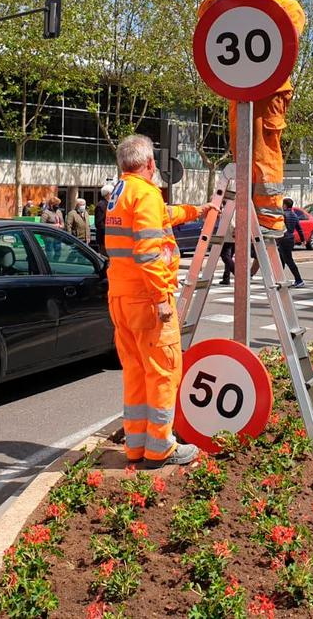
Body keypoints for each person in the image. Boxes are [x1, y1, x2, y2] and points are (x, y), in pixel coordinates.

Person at [106, 134, 215, 468]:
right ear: (150, 164)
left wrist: (198, 210)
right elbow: (149, 250)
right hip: (146, 299)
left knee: (136, 373)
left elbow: (162, 216)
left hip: (121, 297)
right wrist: (160, 299)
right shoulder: (146, 193)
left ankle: (137, 446)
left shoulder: (121, 193)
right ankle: (160, 449)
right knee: (164, 371)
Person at [197, 0, 306, 235]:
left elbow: (285, 39)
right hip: (242, 89)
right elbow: (205, 12)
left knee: (264, 156)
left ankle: (269, 221)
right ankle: (249, 217)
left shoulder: (289, 6)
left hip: (269, 91)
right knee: (243, 154)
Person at [279, 197, 305, 288]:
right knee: (281, 259)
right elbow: (299, 229)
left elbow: (280, 227)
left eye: (282, 204)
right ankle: (279, 278)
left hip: (284, 239)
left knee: (288, 260)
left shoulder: (283, 215)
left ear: (285, 205)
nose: (282, 206)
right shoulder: (294, 215)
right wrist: (303, 240)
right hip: (290, 239)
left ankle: (299, 280)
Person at [94, 185, 112, 255]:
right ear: (108, 194)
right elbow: (99, 223)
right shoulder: (101, 205)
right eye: (112, 193)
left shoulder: (108, 204)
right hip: (103, 239)